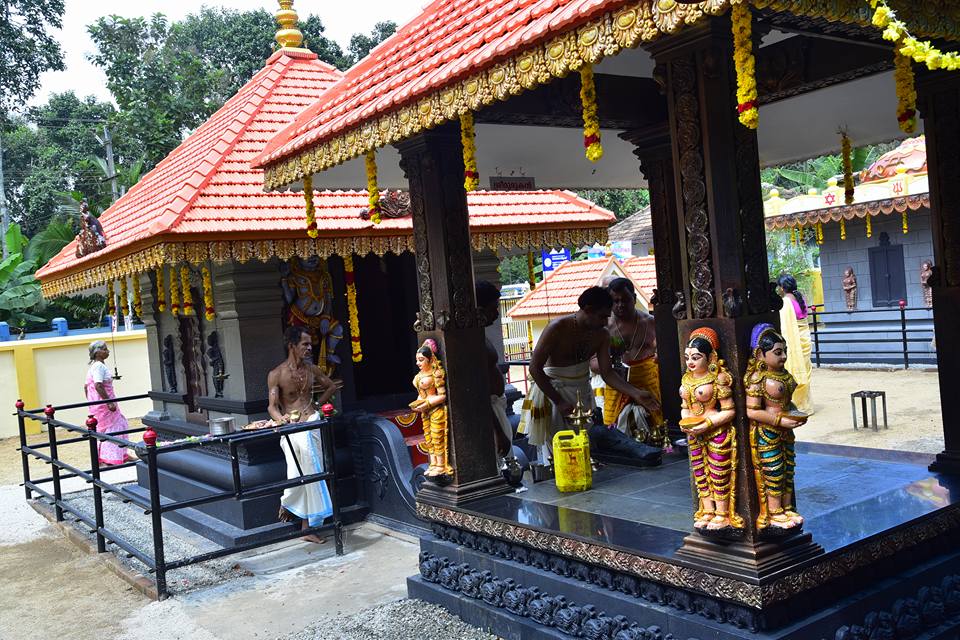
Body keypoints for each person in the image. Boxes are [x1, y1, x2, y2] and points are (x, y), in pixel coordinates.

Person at [519, 286, 651, 461]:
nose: (606, 322)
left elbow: (608, 373)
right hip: (553, 394)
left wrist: (636, 393)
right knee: (559, 450)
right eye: (603, 316)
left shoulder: (602, 335)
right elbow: (534, 368)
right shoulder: (557, 328)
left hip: (582, 393)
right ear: (588, 309)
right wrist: (559, 401)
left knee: (583, 445)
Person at [267, 326, 343, 543]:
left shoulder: (312, 370)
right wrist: (281, 419)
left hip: (312, 424)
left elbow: (331, 387)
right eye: (305, 344)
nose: (310, 348)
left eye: (311, 344)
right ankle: (300, 516)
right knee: (300, 475)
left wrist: (317, 406)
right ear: (292, 345)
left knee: (314, 473)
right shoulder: (276, 374)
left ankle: (307, 528)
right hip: (293, 430)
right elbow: (272, 406)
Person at [592, 278, 663, 444]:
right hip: (617, 383)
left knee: (658, 430)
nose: (620, 305)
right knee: (614, 432)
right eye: (615, 301)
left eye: (625, 300)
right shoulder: (604, 328)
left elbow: (663, 353)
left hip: (648, 382)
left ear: (635, 298)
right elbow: (593, 363)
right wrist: (608, 366)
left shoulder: (650, 323)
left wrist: (661, 356)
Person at [476, 280, 520, 479]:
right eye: (493, 308)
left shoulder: (479, 335)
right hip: (488, 410)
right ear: (479, 309)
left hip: (497, 404)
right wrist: (497, 431)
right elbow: (478, 391)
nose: (496, 314)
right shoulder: (469, 340)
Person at [410, 339, 453, 477]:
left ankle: (440, 465)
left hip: (436, 410)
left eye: (421, 360)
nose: (418, 363)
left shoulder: (436, 374)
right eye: (417, 360)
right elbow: (420, 395)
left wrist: (428, 404)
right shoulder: (420, 376)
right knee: (428, 438)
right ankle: (433, 463)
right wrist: (418, 404)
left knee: (437, 437)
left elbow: (442, 396)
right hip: (425, 411)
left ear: (429, 360)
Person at [85, 340, 131, 466]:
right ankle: (112, 457)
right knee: (115, 426)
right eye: (104, 349)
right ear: (97, 352)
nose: (107, 351)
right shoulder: (99, 366)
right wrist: (109, 402)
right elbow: (98, 385)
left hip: (98, 404)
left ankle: (121, 454)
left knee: (115, 425)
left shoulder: (95, 366)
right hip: (104, 405)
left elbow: (86, 387)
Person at [777, 274, 813, 413]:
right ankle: (806, 404)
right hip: (805, 337)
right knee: (805, 369)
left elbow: (785, 326)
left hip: (795, 339)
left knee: (795, 371)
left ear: (782, 288)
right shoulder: (801, 298)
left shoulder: (786, 302)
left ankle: (797, 404)